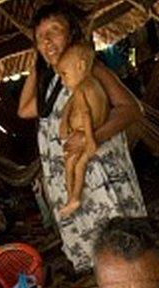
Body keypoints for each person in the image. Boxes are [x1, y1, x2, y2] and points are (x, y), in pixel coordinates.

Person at [17, 2, 146, 273]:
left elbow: (132, 109)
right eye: (40, 37)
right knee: (96, 259)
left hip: (100, 179)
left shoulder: (89, 69)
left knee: (125, 252)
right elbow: (24, 109)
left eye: (54, 31)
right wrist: (38, 61)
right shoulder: (54, 81)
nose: (47, 40)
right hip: (71, 186)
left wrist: (93, 137)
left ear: (73, 34)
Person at [56, 44, 108, 219]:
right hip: (87, 133)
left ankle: (73, 197)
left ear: (80, 66)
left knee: (73, 163)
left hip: (86, 135)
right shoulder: (94, 84)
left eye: (64, 75)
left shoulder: (80, 89)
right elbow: (102, 110)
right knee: (76, 163)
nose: (63, 81)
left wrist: (90, 138)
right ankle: (73, 198)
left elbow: (86, 113)